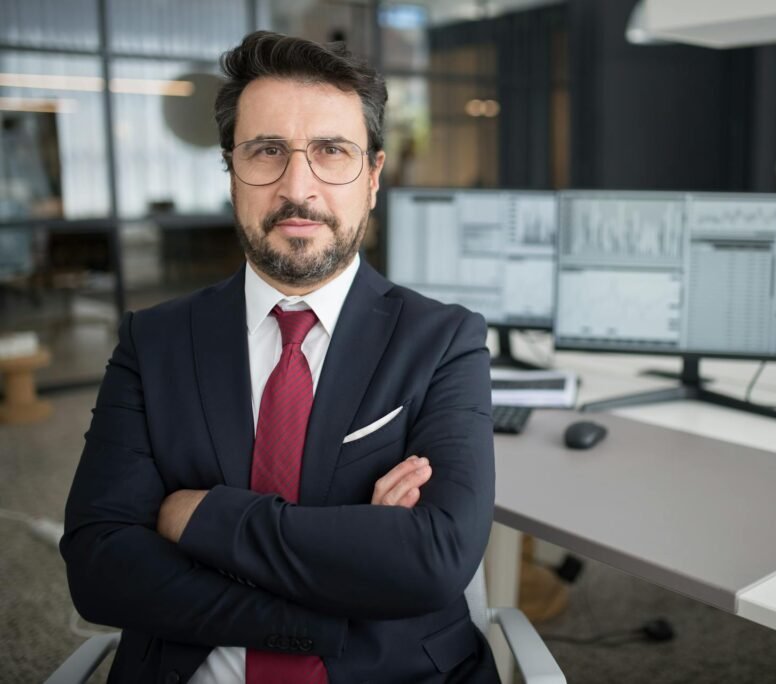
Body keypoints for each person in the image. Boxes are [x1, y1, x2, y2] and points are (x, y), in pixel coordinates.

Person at [61, 31, 497, 683]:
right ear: (232, 170)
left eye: (332, 151)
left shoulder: (443, 341)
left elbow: (433, 559)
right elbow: (100, 569)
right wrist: (337, 585)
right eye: (266, 151)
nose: (299, 187)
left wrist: (198, 515)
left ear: (373, 177)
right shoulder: (153, 342)